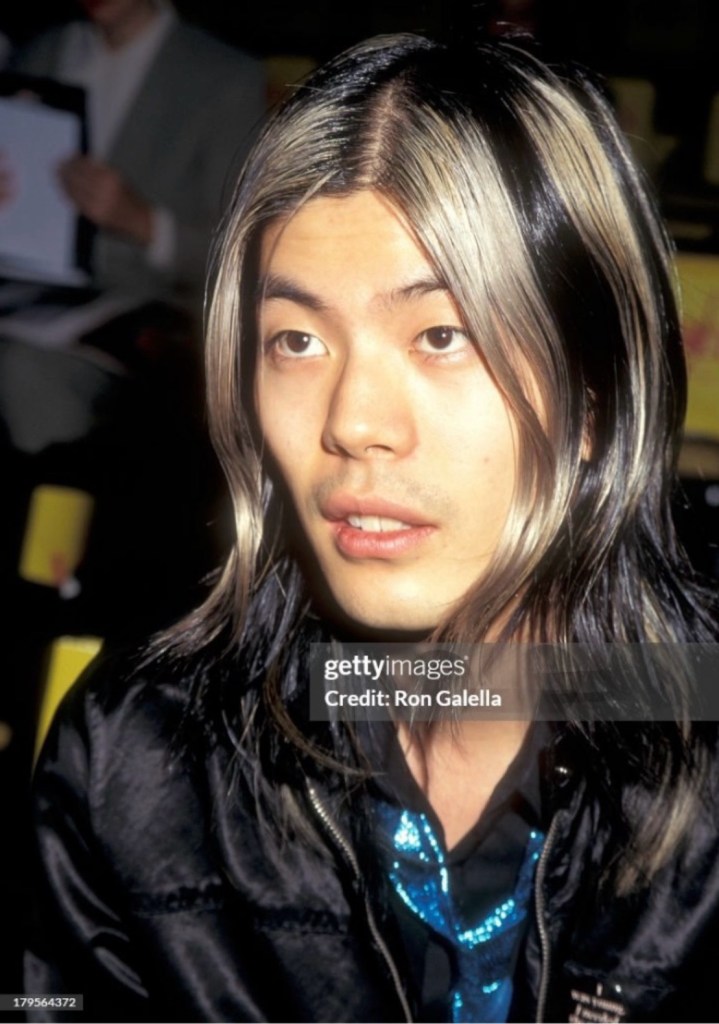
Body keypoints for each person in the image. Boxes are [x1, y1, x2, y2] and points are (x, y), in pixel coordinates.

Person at [25, 32, 719, 1023]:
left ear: (595, 399)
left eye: (441, 335)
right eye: (295, 341)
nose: (351, 422)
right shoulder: (140, 763)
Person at [10, 0, 265, 304]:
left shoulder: (226, 78)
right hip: (24, 287)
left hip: (148, 305)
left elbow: (240, 254)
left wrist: (142, 222)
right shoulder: (41, 52)